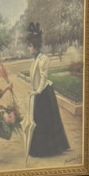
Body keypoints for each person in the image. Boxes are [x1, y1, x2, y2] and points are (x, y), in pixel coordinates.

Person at [25, 22, 70, 159]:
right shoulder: (35, 60)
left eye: (30, 46)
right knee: (39, 119)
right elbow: (36, 77)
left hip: (45, 94)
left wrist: (37, 91)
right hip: (40, 93)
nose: (29, 48)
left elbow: (44, 78)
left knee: (46, 121)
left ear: (36, 47)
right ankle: (41, 148)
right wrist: (32, 87)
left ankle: (48, 150)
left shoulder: (43, 59)